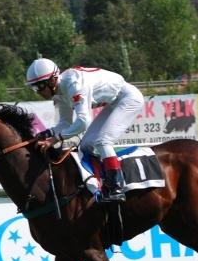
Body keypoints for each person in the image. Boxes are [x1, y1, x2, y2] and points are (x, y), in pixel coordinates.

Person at [25, 58, 144, 203]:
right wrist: (45, 134)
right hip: (114, 102)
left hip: (129, 99)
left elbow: (83, 122)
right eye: (34, 88)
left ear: (52, 80)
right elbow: (65, 123)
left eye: (40, 86)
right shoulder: (59, 93)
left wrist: (57, 138)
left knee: (103, 141)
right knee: (86, 146)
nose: (38, 92)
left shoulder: (74, 85)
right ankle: (100, 182)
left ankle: (116, 188)